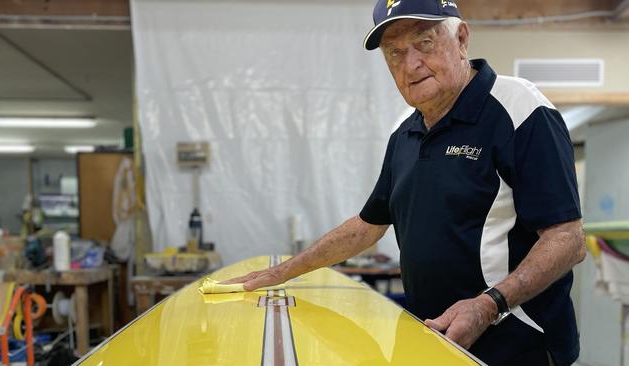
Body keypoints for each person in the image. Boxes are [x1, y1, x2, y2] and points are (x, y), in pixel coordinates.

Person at [226, 0, 586, 365]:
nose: (410, 64)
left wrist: (488, 305)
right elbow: (367, 226)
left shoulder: (521, 111)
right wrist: (283, 271)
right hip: (433, 342)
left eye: (425, 43)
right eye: (394, 53)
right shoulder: (405, 135)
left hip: (516, 346)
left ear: (461, 38)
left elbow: (567, 240)